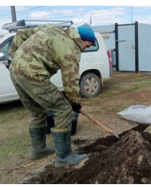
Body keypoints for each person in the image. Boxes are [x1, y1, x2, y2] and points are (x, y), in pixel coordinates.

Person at [9, 23, 96, 167]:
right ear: (84, 39)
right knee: (63, 109)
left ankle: (39, 150)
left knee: (38, 111)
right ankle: (64, 157)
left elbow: (21, 34)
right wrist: (74, 103)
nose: (85, 48)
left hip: (15, 71)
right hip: (33, 75)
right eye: (88, 45)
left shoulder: (52, 28)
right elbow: (70, 80)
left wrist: (15, 57)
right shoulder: (72, 49)